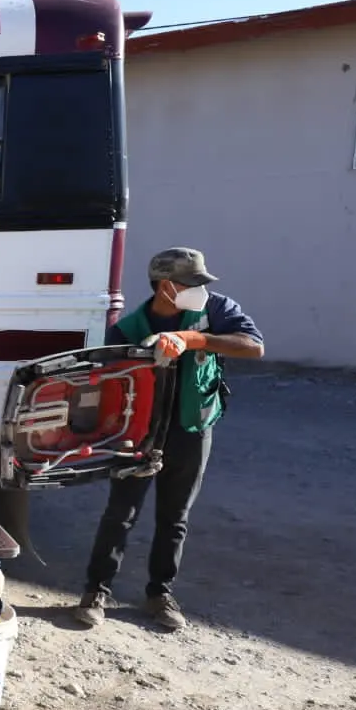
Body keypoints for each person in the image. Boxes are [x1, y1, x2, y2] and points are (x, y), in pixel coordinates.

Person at [74, 246, 265, 631]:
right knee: (121, 514)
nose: (201, 290)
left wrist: (193, 339)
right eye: (192, 283)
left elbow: (254, 346)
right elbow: (104, 384)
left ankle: (159, 593)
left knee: (175, 516)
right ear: (166, 287)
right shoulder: (127, 330)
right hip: (138, 435)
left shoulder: (214, 309)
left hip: (192, 428)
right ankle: (96, 591)